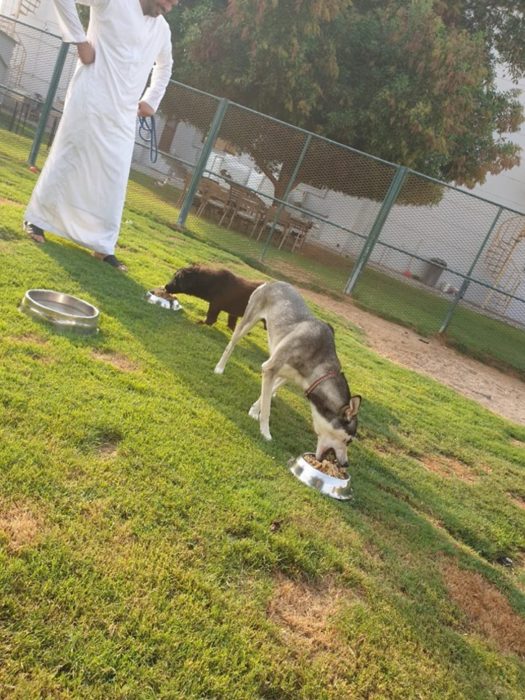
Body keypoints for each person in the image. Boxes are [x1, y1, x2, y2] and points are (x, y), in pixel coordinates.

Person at [24, 0, 178, 271]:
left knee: (113, 178)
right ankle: (37, 219)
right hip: (90, 97)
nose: (173, 5)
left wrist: (152, 99)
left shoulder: (162, 30)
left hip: (123, 114)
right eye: (171, 0)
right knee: (67, 156)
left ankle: (103, 246)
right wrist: (80, 41)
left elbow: (165, 66)